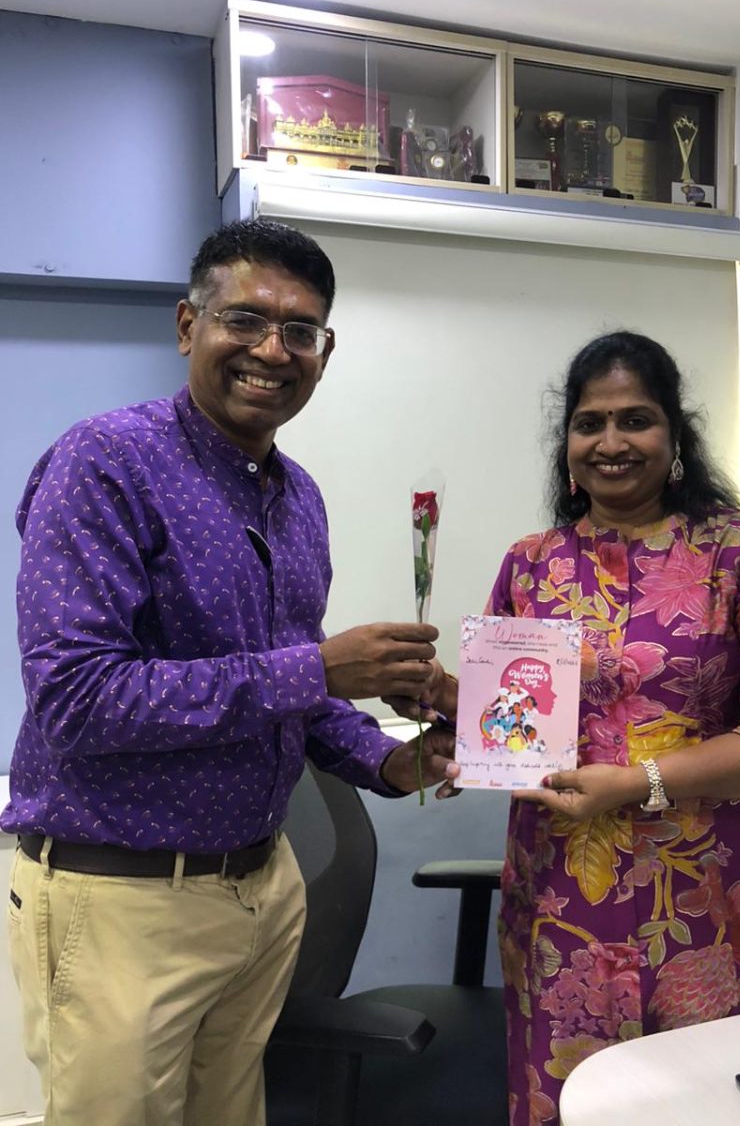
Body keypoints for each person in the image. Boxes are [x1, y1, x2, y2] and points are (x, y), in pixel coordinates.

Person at [2, 218, 458, 1126]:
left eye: (301, 331)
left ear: (324, 353)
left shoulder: (298, 497)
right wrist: (319, 668)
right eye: (245, 319)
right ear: (188, 326)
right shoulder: (107, 463)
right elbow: (77, 700)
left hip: (262, 889)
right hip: (124, 899)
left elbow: (298, 696)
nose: (272, 351)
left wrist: (390, 760)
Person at [421, 331, 740, 1124]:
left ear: (675, 437)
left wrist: (638, 782)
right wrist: (442, 698)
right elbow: (514, 718)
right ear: (567, 446)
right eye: (590, 424)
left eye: (635, 420)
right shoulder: (532, 563)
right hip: (559, 896)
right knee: (567, 1098)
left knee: (700, 1102)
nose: (611, 442)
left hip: (708, 899)